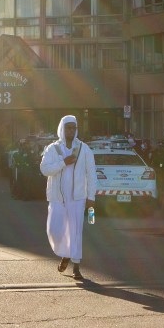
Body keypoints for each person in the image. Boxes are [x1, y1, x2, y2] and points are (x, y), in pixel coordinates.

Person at [40, 115, 97, 281]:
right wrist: (63, 162)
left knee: (76, 231)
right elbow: (44, 169)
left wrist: (91, 197)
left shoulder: (84, 149)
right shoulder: (53, 149)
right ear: (62, 128)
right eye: (68, 127)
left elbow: (91, 174)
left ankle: (76, 267)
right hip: (57, 198)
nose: (71, 130)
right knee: (54, 230)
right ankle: (65, 254)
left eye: (73, 127)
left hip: (78, 198)